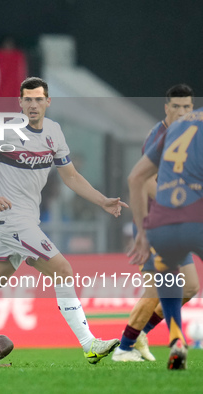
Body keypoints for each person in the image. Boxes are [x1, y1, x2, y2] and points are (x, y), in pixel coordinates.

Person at [0, 77, 127, 364]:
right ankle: (89, 344)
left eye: (39, 99)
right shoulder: (7, 131)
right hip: (11, 219)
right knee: (62, 269)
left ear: (48, 102)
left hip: (27, 220)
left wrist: (102, 201)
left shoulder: (54, 132)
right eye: (28, 99)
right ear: (20, 103)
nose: (33, 104)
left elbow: (71, 176)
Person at [113, 84, 199, 362]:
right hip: (157, 224)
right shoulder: (159, 135)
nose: (183, 112)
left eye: (187, 106)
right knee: (157, 289)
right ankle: (124, 347)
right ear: (166, 108)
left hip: (177, 222)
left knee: (188, 287)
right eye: (177, 107)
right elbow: (145, 180)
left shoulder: (187, 131)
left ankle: (140, 335)